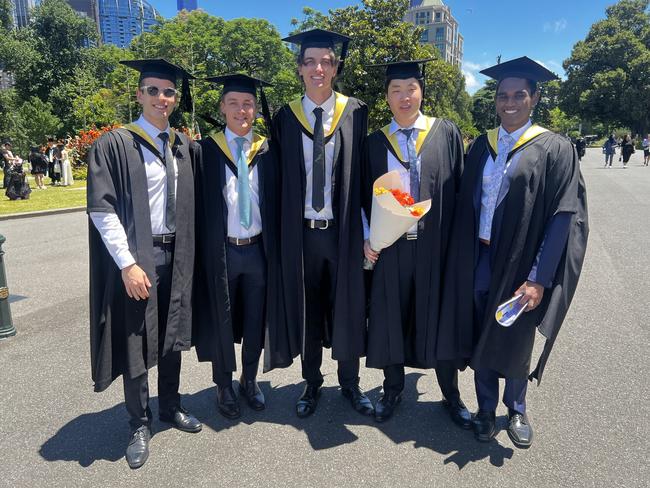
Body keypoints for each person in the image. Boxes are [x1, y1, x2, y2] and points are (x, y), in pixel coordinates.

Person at [440, 57, 588, 448]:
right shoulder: (480, 147)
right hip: (480, 256)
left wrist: (539, 278)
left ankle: (516, 406)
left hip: (524, 260)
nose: (510, 102)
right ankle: (486, 408)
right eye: (503, 95)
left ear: (534, 96)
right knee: (484, 329)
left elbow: (563, 216)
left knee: (517, 331)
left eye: (519, 94)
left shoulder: (555, 148)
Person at [87, 58, 201, 469]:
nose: (161, 98)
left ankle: (171, 405)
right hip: (140, 257)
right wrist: (127, 264)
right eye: (152, 90)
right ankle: (139, 421)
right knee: (137, 339)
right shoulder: (114, 144)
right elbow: (103, 210)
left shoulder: (184, 146)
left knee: (172, 331)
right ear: (138, 94)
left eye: (168, 91)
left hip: (179, 252)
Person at [361, 59, 471, 427]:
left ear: (422, 91)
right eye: (396, 90)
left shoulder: (446, 133)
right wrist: (367, 236)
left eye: (411, 88)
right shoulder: (374, 143)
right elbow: (362, 197)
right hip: (392, 249)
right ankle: (392, 389)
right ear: (387, 96)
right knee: (390, 316)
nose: (404, 96)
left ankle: (450, 393)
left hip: (435, 250)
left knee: (439, 317)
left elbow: (460, 193)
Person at [273, 29, 373, 418]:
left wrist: (368, 232)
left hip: (343, 233)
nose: (318, 68)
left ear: (335, 67)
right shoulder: (285, 117)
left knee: (348, 306)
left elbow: (365, 177)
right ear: (299, 68)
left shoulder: (355, 111)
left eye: (326, 62)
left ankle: (350, 383)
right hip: (303, 235)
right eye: (310, 61)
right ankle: (312, 383)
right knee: (309, 311)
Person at [193, 74, 288, 419]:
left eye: (247, 103)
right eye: (232, 103)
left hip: (258, 250)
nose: (241, 110)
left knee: (254, 319)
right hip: (224, 252)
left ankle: (249, 379)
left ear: (255, 110)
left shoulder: (268, 150)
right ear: (221, 107)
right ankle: (223, 384)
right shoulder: (205, 151)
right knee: (222, 318)